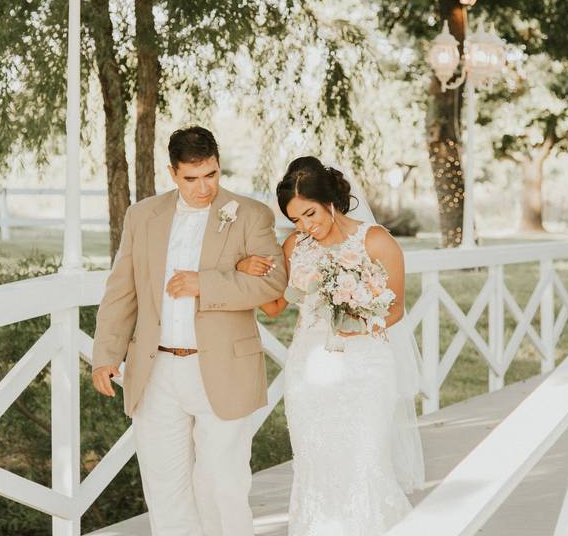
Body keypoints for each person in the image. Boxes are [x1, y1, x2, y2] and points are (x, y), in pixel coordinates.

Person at [91, 126, 287, 536]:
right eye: (192, 178)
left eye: (211, 175)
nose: (204, 188)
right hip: (156, 370)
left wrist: (206, 282)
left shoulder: (251, 214)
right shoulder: (142, 216)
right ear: (172, 173)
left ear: (219, 165)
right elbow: (121, 289)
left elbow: (273, 284)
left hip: (223, 369)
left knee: (224, 486)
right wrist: (106, 354)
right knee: (165, 488)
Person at [237, 156, 424, 536]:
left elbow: (396, 308)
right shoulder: (295, 247)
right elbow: (274, 306)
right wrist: (242, 271)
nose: (306, 226)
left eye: (310, 214)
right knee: (315, 465)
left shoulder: (375, 240)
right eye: (296, 219)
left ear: (330, 202)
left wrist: (357, 317)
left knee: (365, 463)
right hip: (310, 371)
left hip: (367, 368)